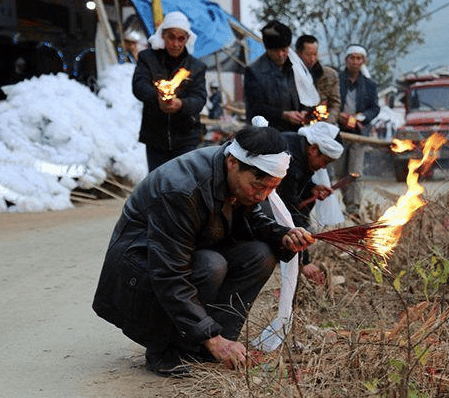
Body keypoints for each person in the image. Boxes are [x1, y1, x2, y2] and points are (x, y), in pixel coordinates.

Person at [92, 126, 315, 377]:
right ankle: (168, 348)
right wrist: (211, 337)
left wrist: (281, 236)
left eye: (271, 188)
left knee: (260, 256)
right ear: (233, 163)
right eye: (258, 186)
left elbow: (250, 216)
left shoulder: (237, 176)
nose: (263, 195)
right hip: (140, 269)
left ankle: (208, 347)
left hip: (189, 252)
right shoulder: (181, 190)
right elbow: (169, 273)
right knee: (211, 264)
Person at [132, 11, 207, 172]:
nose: (176, 44)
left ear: (187, 39)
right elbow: (139, 86)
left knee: (183, 186)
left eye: (181, 39)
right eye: (171, 37)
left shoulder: (196, 67)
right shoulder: (147, 58)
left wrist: (181, 104)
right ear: (163, 36)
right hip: (155, 137)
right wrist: (157, 97)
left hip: (186, 137)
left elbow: (199, 99)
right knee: (158, 186)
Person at [275, 122, 344, 283]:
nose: (322, 168)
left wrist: (311, 189)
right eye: (325, 162)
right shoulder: (290, 161)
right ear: (313, 150)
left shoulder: (300, 147)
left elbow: (295, 188)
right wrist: (304, 261)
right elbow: (289, 210)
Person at [334, 45, 380, 214]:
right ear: (346, 60)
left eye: (358, 58)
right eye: (351, 58)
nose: (355, 61)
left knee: (355, 172)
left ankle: (353, 209)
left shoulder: (370, 85)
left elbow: (375, 108)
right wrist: (340, 116)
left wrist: (360, 117)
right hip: (337, 133)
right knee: (340, 173)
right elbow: (328, 103)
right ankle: (349, 203)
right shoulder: (335, 80)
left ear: (363, 61)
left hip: (359, 135)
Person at [244, 20, 306, 131]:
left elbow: (305, 95)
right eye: (276, 51)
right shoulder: (254, 71)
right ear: (268, 49)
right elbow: (255, 107)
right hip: (267, 133)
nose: (281, 55)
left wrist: (305, 111)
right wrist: (283, 114)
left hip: (296, 131)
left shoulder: (296, 68)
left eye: (284, 50)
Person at [295, 35, 341, 125]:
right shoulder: (289, 74)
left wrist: (328, 123)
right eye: (308, 55)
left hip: (323, 124)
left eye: (315, 54)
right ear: (298, 54)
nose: (312, 59)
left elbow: (335, 104)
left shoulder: (330, 75)